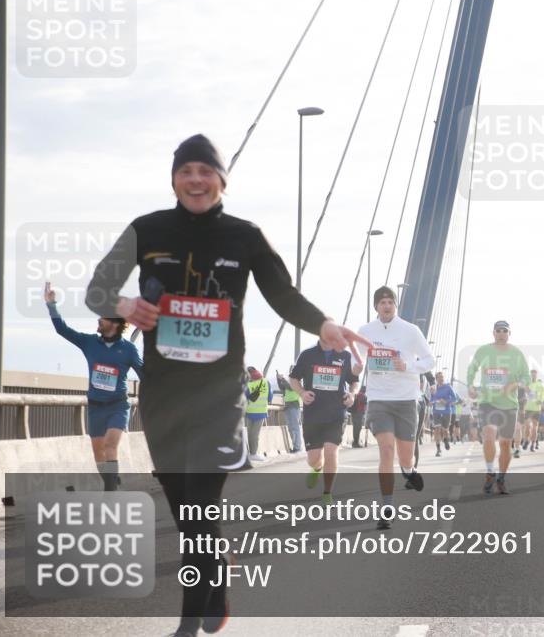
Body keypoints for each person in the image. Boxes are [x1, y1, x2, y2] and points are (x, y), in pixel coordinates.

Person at [86, 133, 369, 637]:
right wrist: (124, 304)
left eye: (206, 171)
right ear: (174, 179)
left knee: (200, 504)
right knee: (185, 510)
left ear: (222, 180)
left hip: (219, 396)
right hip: (163, 395)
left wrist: (323, 323)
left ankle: (188, 621)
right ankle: (215, 566)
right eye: (186, 171)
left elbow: (282, 293)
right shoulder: (147, 229)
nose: (196, 180)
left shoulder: (245, 236)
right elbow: (97, 289)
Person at [45, 281, 143, 491]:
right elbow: (62, 329)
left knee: (110, 445)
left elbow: (145, 374)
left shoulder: (128, 350)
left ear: (114, 323)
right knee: (99, 454)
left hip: (118, 406)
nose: (99, 320)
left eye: (103, 317)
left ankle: (111, 491)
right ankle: (111, 481)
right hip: (96, 407)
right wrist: (51, 305)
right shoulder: (89, 342)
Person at [358, 286, 434, 529]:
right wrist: (355, 368)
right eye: (382, 302)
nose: (387, 306)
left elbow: (429, 360)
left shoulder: (411, 331)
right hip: (378, 399)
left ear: (396, 305)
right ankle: (387, 508)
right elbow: (357, 359)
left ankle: (409, 470)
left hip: (406, 400)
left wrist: (408, 366)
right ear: (376, 306)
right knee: (386, 450)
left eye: (390, 302)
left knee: (405, 456)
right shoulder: (365, 331)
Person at [290, 338, 360, 504]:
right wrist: (302, 393)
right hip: (313, 414)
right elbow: (293, 379)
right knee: (313, 459)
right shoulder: (307, 355)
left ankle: (327, 492)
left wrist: (352, 394)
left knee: (331, 452)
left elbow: (354, 381)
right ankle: (316, 468)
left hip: (336, 413)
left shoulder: (345, 356)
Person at [467, 320, 530, 495]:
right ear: (493, 333)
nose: (501, 333)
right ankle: (490, 472)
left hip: (509, 404)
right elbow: (472, 368)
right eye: (498, 330)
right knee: (489, 434)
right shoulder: (483, 350)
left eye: (505, 330)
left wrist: (515, 384)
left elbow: (526, 378)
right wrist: (470, 385)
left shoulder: (517, 354)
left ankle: (501, 478)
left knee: (505, 443)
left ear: (509, 333)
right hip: (487, 401)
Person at [244, 366, 271, 463]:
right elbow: (270, 397)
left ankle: (252, 453)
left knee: (250, 434)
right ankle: (253, 454)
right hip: (261, 412)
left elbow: (243, 397)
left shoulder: (248, 384)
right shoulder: (266, 382)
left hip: (249, 412)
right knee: (255, 434)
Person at [430, 371, 460, 456]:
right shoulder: (433, 388)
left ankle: (446, 440)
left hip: (446, 411)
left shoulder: (448, 387)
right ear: (436, 379)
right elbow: (431, 398)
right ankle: (438, 449)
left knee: (445, 430)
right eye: (439, 377)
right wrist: (431, 402)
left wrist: (446, 401)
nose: (441, 379)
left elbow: (455, 398)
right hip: (436, 411)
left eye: (442, 377)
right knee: (437, 429)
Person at [276, 366, 303, 453]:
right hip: (288, 406)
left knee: (295, 428)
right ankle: (295, 447)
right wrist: (278, 379)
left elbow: (290, 387)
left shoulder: (298, 382)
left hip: (294, 406)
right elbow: (282, 387)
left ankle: (297, 447)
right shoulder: (289, 382)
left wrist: (282, 378)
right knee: (291, 428)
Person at [523, 369, 544, 451]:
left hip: (536, 409)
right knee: (527, 426)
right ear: (530, 375)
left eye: (534, 374)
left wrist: (541, 400)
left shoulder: (541, 385)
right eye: (532, 374)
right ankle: (526, 440)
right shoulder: (528, 384)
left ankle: (533, 444)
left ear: (537, 375)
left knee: (535, 427)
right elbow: (524, 393)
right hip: (528, 408)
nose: (533, 376)